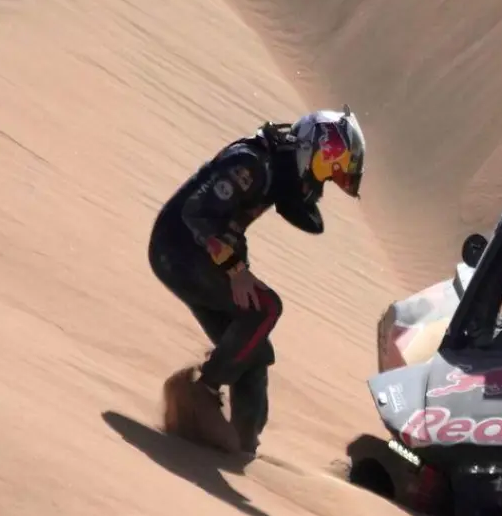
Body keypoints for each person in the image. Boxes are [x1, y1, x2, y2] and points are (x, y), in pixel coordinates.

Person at [147, 107, 366, 455]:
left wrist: (238, 266)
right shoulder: (252, 164)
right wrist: (236, 270)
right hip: (176, 251)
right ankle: (200, 392)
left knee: (253, 355)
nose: (321, 182)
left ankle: (238, 445)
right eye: (327, 168)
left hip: (199, 256)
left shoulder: (274, 174)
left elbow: (232, 226)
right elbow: (196, 214)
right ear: (312, 148)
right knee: (266, 309)